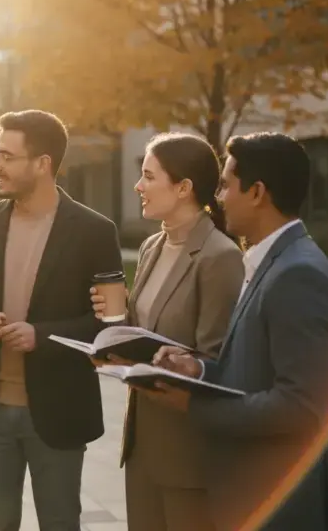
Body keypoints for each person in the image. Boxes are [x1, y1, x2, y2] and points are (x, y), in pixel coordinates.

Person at [149, 132, 328, 531]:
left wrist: (194, 407)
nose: (218, 197)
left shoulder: (298, 273)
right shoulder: (271, 260)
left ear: (257, 192)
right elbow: (253, 367)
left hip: (285, 503)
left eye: (226, 185)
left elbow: (300, 407)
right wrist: (198, 370)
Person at [0, 110, 125, 531]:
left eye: (6, 156)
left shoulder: (95, 231)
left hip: (59, 414)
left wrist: (40, 336)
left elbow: (110, 323)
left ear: (42, 164)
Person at [89, 133, 243, 531]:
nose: (138, 186)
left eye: (148, 176)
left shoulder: (220, 257)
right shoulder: (151, 247)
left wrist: (174, 364)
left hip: (188, 452)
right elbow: (144, 336)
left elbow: (216, 364)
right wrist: (114, 331)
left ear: (183, 188)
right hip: (142, 446)